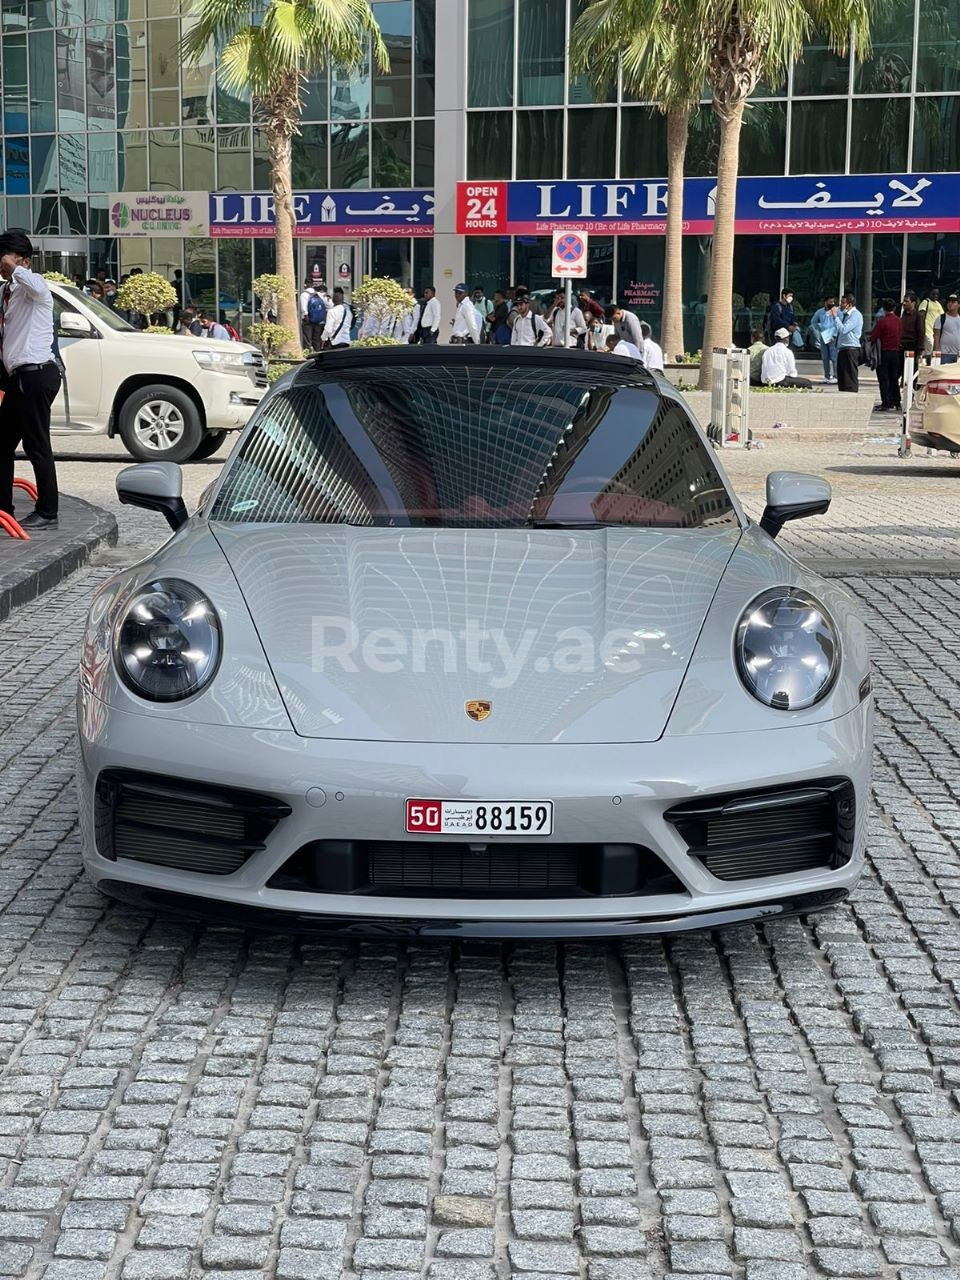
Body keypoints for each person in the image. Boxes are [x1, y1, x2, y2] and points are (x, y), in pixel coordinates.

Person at [0, 231, 62, 530]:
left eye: (5, 258)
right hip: (18, 378)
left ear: (24, 261)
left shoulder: (37, 289)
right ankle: (4, 510)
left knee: (37, 445)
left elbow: (33, 282)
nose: (2, 265)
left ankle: (48, 512)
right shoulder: (10, 294)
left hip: (37, 375)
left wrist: (17, 268)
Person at [869, 298, 902, 412]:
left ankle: (886, 403)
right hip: (895, 352)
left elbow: (873, 336)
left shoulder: (882, 321)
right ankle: (897, 401)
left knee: (883, 379)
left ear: (884, 308)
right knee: (894, 378)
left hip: (884, 352)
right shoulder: (898, 321)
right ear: (894, 308)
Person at [835, 293, 863, 393]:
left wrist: (835, 317)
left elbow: (844, 329)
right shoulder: (844, 315)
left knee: (850, 377)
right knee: (842, 377)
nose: (840, 305)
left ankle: (852, 395)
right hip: (842, 348)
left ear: (849, 304)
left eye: (843, 303)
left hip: (851, 348)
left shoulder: (855, 315)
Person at [811, 296, 839, 382]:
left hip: (833, 336)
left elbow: (839, 323)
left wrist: (834, 334)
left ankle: (836, 376)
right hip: (824, 336)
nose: (831, 304)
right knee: (825, 357)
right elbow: (813, 321)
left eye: (833, 302)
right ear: (825, 302)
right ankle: (827, 376)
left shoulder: (836, 311)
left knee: (834, 357)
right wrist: (820, 328)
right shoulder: (820, 312)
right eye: (830, 302)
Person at [934, 293, 960, 365]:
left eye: (953, 302)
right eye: (949, 302)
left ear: (958, 304)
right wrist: (936, 352)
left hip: (958, 355)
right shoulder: (941, 318)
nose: (950, 303)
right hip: (944, 354)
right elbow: (936, 335)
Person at [900, 292, 925, 363]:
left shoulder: (918, 316)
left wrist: (920, 349)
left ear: (913, 303)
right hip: (900, 347)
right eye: (903, 301)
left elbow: (921, 332)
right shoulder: (901, 314)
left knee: (910, 370)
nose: (904, 303)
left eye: (906, 301)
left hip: (912, 347)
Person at [300, 280, 325, 351]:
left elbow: (304, 308)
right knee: (316, 340)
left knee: (307, 340)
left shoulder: (304, 294)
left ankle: (308, 356)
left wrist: (306, 316)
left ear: (305, 284)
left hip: (307, 320)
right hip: (317, 320)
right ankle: (318, 354)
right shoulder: (318, 294)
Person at [918, 288, 943, 357]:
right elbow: (921, 316)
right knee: (928, 350)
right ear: (929, 293)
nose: (935, 295)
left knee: (931, 352)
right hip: (927, 331)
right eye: (933, 293)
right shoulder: (925, 302)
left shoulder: (938, 304)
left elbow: (942, 316)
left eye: (937, 294)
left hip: (934, 332)